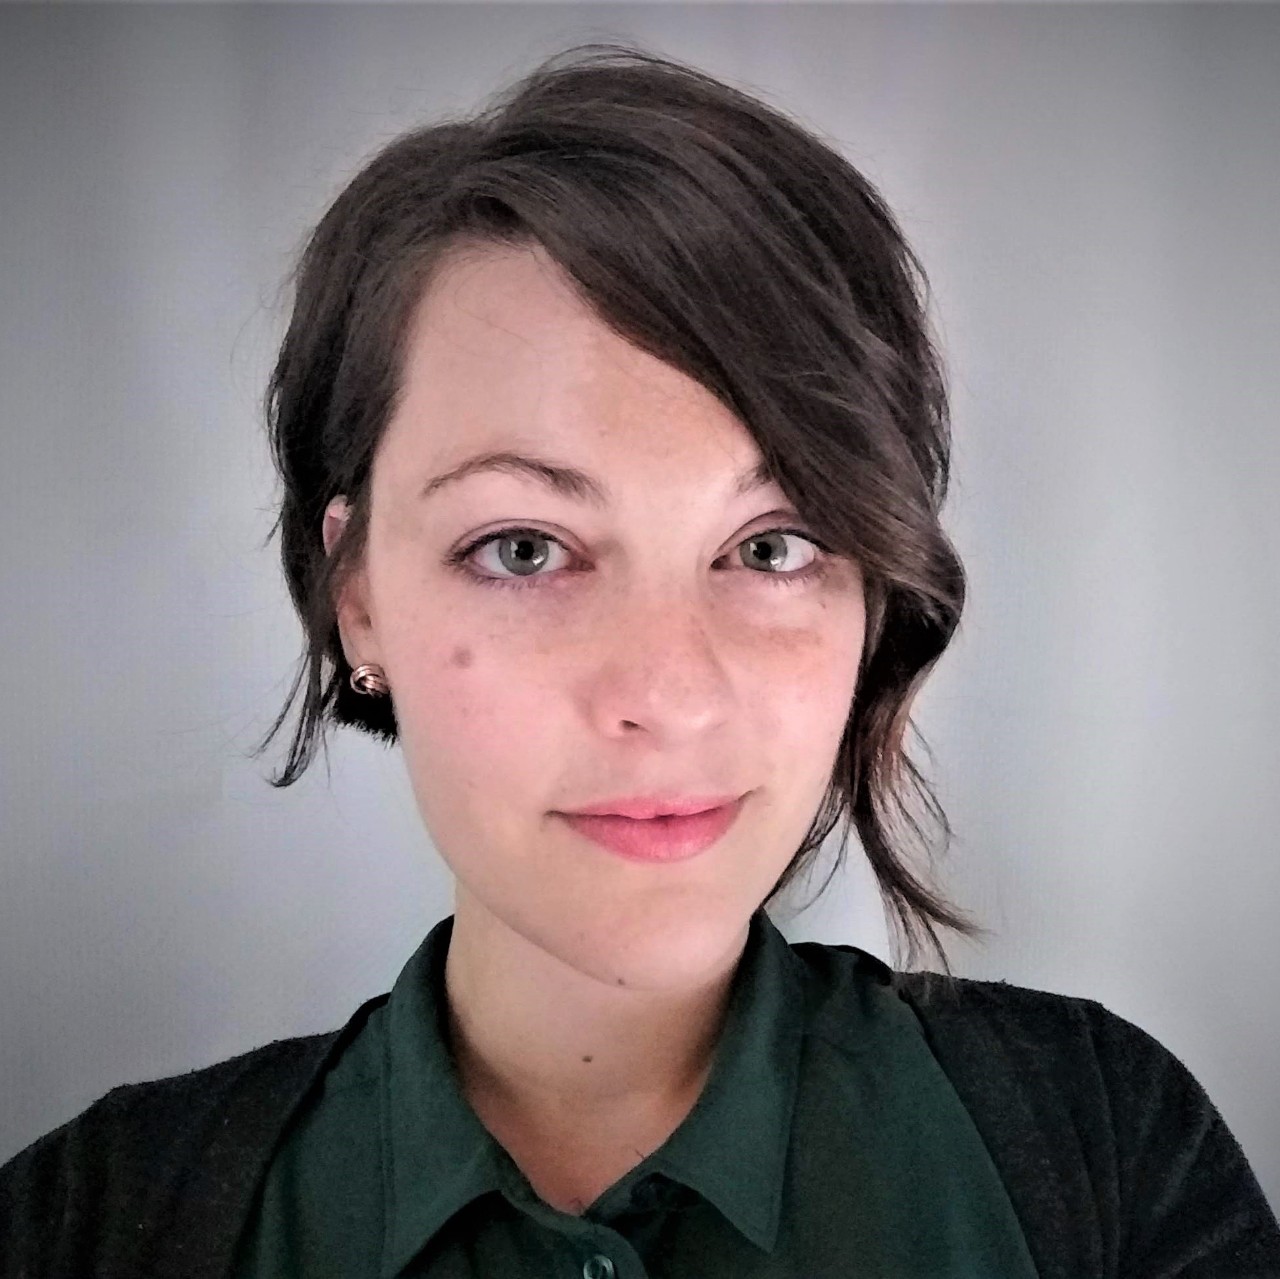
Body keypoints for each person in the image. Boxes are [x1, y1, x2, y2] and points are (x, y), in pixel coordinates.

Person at [3, 41, 1278, 1279]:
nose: (666, 693)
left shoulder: (1104, 1147)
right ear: (359, 597)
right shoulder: (92, 1220)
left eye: (771, 546)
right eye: (522, 549)